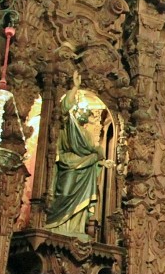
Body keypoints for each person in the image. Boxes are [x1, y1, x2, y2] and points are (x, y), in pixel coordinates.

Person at [45, 73, 114, 236]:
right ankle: (56, 224)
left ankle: (76, 227)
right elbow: (64, 107)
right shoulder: (69, 123)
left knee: (81, 200)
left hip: (84, 169)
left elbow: (93, 154)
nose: (87, 113)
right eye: (84, 109)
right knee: (65, 193)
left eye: (89, 111)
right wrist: (75, 87)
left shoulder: (88, 134)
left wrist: (101, 162)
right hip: (68, 165)